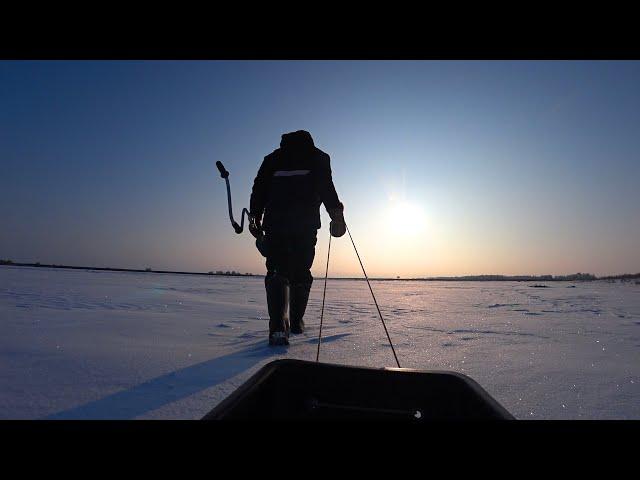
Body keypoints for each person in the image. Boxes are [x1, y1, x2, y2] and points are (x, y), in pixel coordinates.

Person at [248, 130, 345, 346]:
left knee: (276, 269)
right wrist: (336, 213)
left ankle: (278, 329)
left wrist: (255, 215)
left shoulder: (272, 158)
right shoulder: (318, 157)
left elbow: (259, 189)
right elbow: (326, 187)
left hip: (276, 223)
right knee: (301, 271)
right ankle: (296, 322)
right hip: (305, 223)